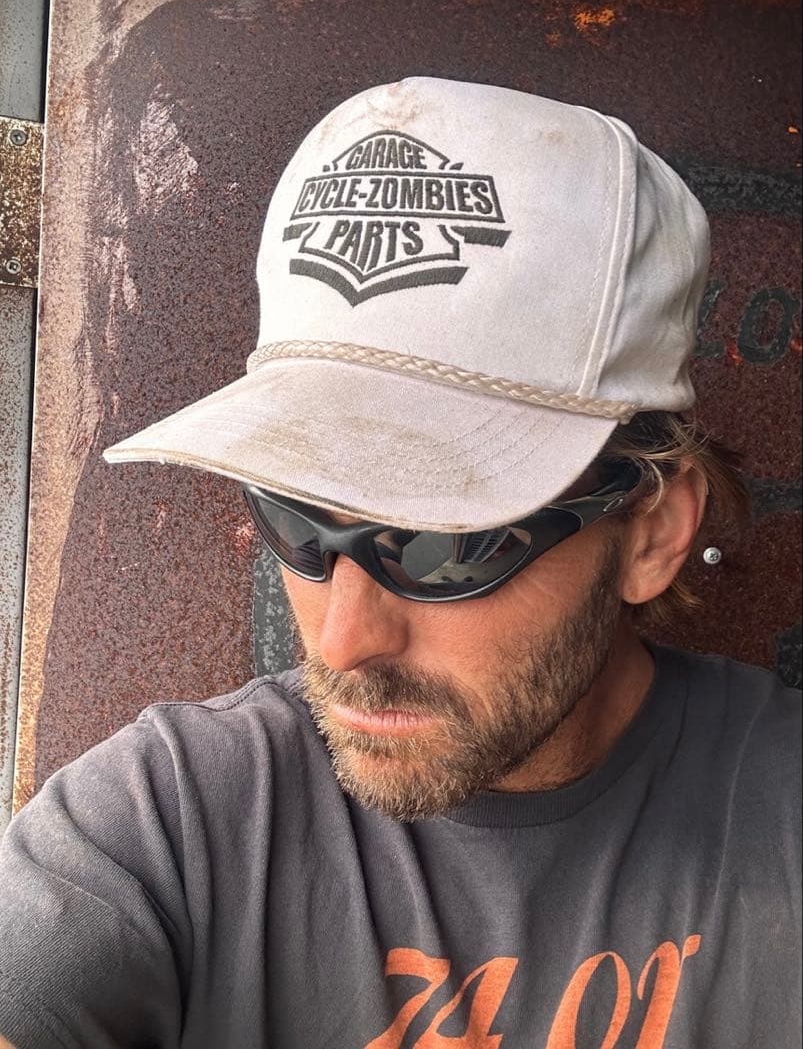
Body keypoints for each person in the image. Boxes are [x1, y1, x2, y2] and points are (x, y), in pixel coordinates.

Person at [0, 77, 799, 1049]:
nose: (342, 641)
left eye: (442, 542)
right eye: (295, 519)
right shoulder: (168, 825)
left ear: (652, 532)